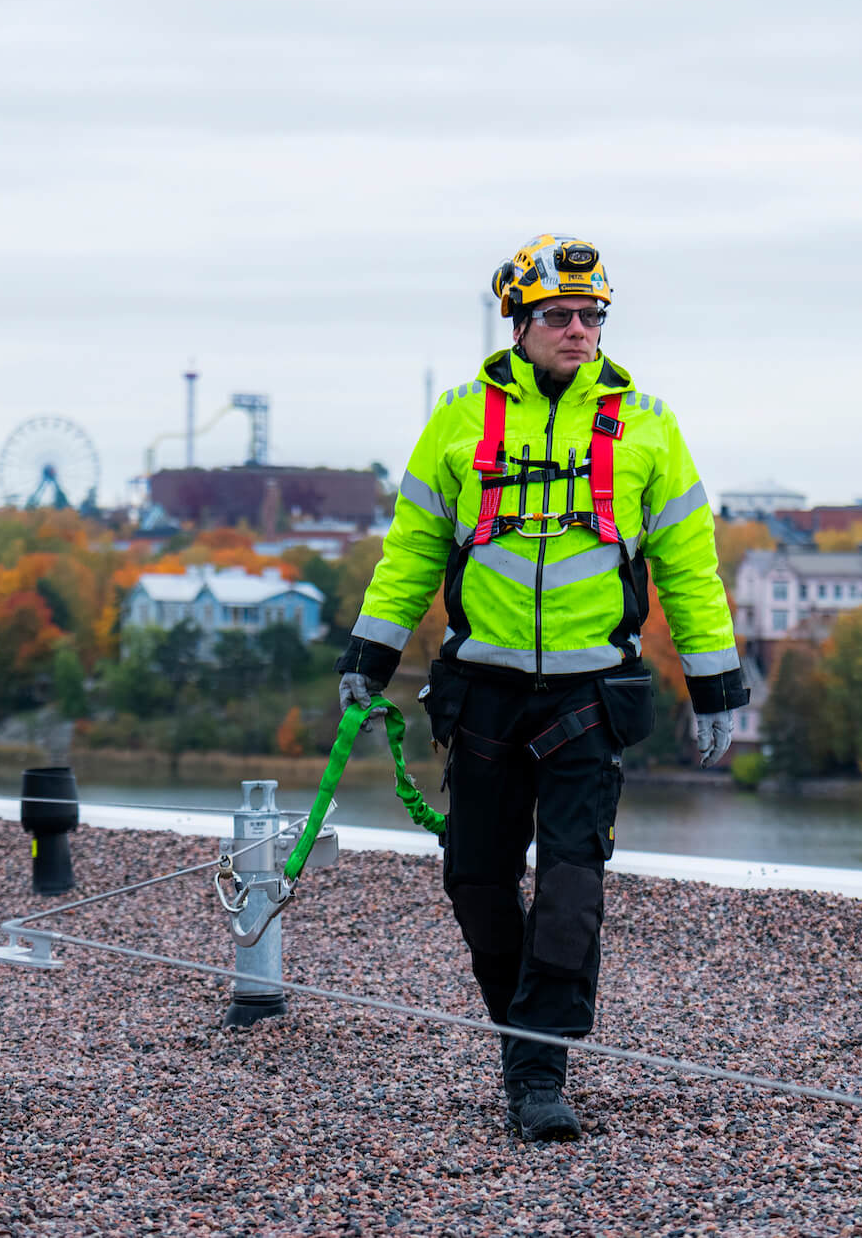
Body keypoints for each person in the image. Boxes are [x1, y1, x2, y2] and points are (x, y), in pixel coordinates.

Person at [334, 234, 746, 1142]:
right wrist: (368, 657)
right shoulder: (456, 421)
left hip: (586, 699)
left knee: (570, 884)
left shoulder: (647, 424)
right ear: (519, 323)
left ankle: (537, 1069)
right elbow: (411, 554)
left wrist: (718, 681)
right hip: (480, 696)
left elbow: (689, 565)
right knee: (477, 878)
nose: (579, 329)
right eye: (559, 315)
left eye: (593, 316)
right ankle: (525, 1037)